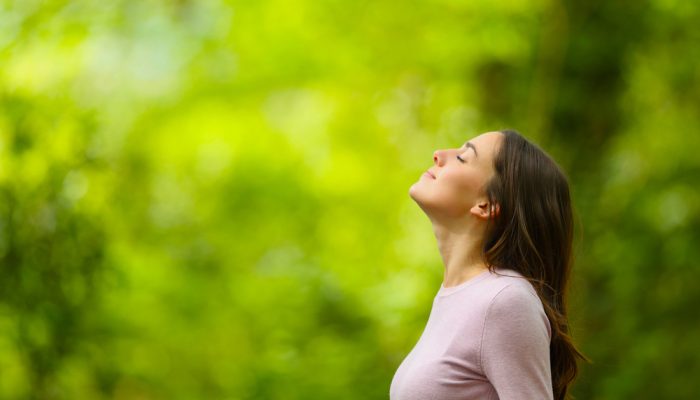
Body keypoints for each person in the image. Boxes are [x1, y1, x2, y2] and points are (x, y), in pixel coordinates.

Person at [390, 130, 588, 400]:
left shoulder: (504, 300)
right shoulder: (460, 298)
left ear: (487, 205)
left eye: (462, 157)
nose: (439, 155)